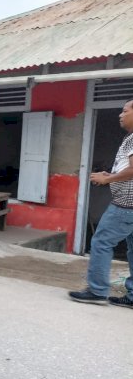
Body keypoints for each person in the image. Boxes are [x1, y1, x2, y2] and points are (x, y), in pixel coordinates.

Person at [69, 98, 133, 307]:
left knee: (101, 242)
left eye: (125, 111)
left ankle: (97, 291)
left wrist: (107, 179)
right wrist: (112, 174)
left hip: (126, 205)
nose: (120, 115)